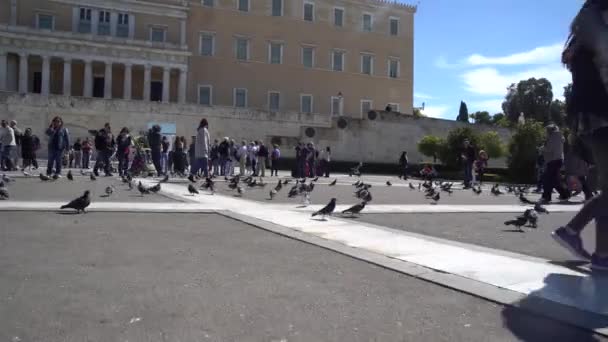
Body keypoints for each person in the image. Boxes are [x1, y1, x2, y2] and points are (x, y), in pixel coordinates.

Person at [552, 0, 608, 270]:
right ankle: (572, 230)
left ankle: (602, 255)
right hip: (600, 114)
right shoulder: (598, 28)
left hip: (587, 116)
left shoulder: (582, 34)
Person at [541, 124, 570, 203]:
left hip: (553, 160)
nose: (546, 132)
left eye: (546, 131)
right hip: (558, 159)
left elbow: (549, 149)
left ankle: (547, 197)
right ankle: (565, 194)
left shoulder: (553, 137)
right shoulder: (559, 136)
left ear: (550, 130)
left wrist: (542, 148)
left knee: (547, 179)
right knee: (553, 179)